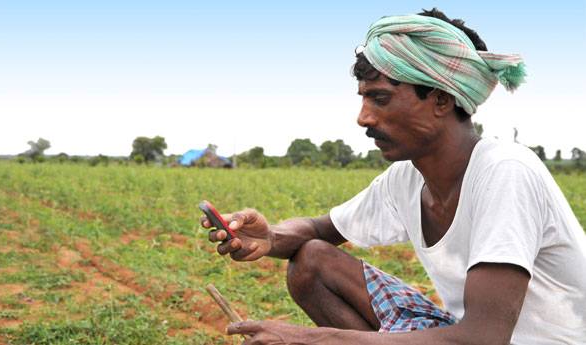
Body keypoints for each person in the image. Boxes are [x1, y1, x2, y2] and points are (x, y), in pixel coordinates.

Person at [201, 8, 586, 345]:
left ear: (441, 99)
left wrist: (312, 338)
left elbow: (483, 338)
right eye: (363, 98)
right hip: (465, 334)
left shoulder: (505, 172)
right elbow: (320, 230)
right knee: (312, 261)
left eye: (380, 98)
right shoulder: (406, 178)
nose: (364, 117)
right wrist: (270, 238)